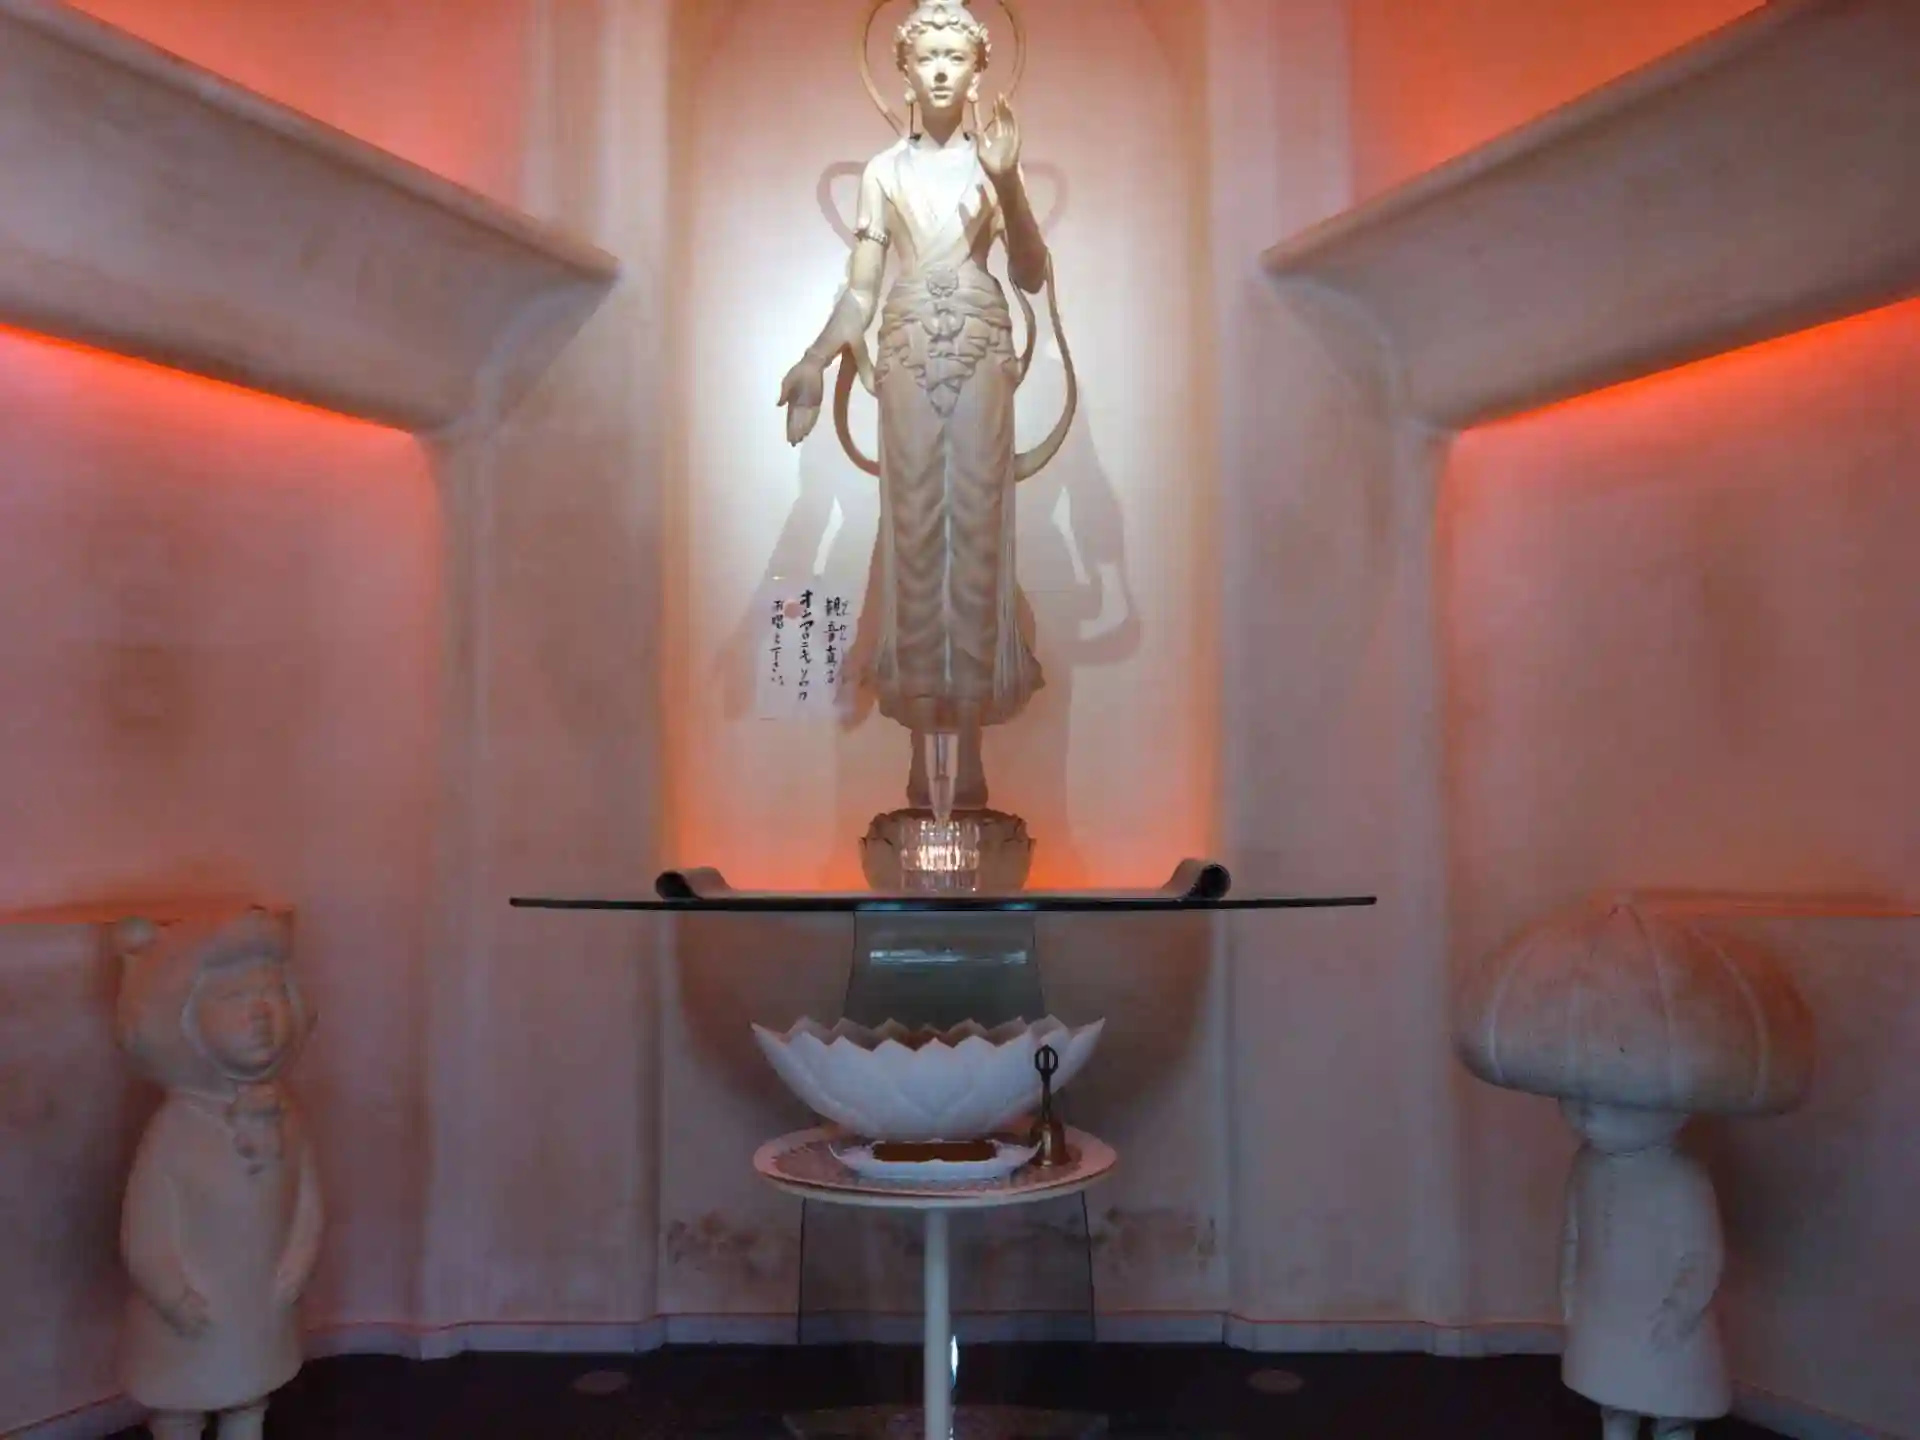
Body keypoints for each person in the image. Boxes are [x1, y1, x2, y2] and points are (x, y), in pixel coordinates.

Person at [777, 0, 1056, 813]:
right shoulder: (883, 172)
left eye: (954, 56)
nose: (939, 68)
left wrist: (1008, 184)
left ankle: (968, 744)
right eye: (926, 55)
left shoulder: (996, 165)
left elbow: (1030, 273)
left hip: (978, 344)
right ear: (902, 72)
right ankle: (916, 734)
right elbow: (861, 291)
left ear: (978, 74)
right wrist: (815, 356)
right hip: (903, 349)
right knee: (912, 532)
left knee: (977, 528)